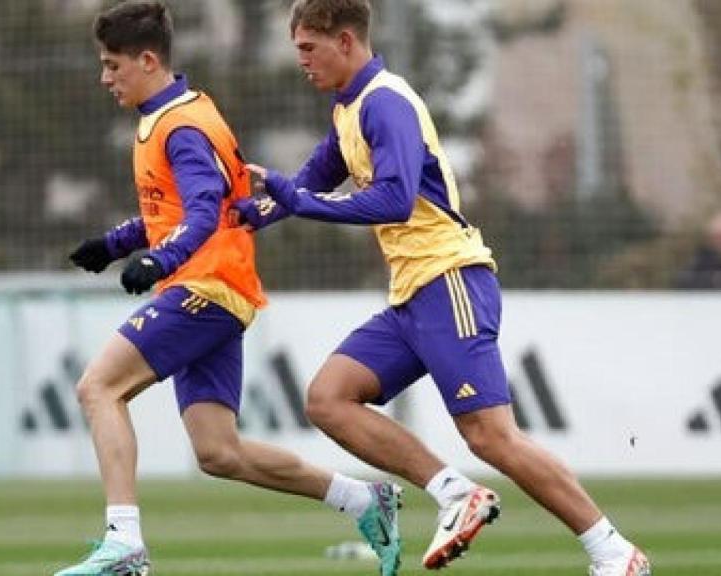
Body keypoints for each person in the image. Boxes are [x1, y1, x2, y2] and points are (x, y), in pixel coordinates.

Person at [233, 1, 652, 574]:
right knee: (328, 398)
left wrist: (298, 201)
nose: (301, 60)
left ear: (347, 41)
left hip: (449, 280)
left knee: (492, 437)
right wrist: (254, 212)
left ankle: (615, 552)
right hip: (413, 293)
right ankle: (455, 493)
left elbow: (394, 199)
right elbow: (310, 179)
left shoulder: (386, 103)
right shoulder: (348, 108)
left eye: (309, 47)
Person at [56, 3, 403, 575]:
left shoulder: (181, 127)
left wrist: (157, 259)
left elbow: (199, 214)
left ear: (148, 59)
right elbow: (180, 208)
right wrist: (116, 243)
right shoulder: (178, 113)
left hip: (204, 286)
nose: (105, 78)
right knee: (219, 452)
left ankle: (124, 546)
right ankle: (364, 499)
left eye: (113, 65)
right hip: (219, 289)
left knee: (99, 388)